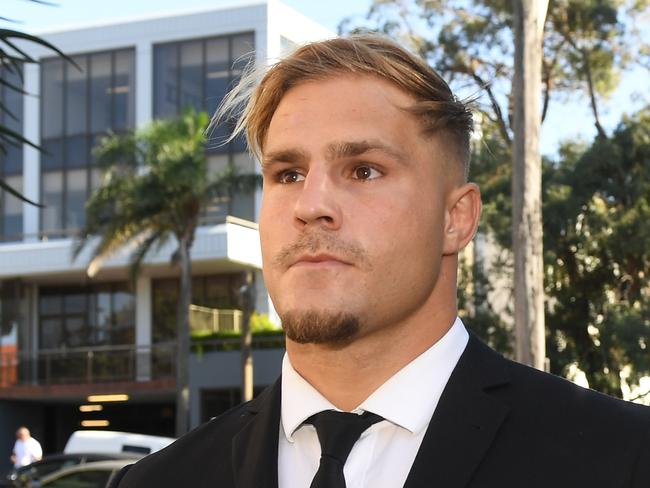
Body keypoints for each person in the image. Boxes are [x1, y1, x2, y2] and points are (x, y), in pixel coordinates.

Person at [109, 35, 650, 488]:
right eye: (288, 174)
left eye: (364, 170)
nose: (311, 205)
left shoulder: (622, 459)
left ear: (456, 218)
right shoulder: (158, 481)